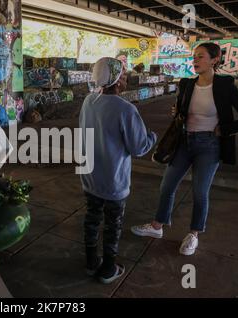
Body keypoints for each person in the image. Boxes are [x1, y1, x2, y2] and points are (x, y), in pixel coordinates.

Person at [131, 42, 238, 255]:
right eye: (194, 56)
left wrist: (223, 130)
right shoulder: (187, 84)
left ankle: (194, 234)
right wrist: (177, 112)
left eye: (200, 56)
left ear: (215, 60)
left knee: (200, 192)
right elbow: (181, 110)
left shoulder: (225, 85)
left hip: (209, 146)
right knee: (167, 186)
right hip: (184, 142)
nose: (195, 60)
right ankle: (156, 227)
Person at [80, 57, 157, 284]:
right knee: (113, 225)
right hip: (114, 181)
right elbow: (138, 147)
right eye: (122, 74)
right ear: (115, 79)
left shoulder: (88, 101)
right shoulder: (126, 109)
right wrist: (152, 137)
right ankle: (108, 269)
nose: (125, 77)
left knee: (92, 218)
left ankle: (91, 262)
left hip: (90, 176)